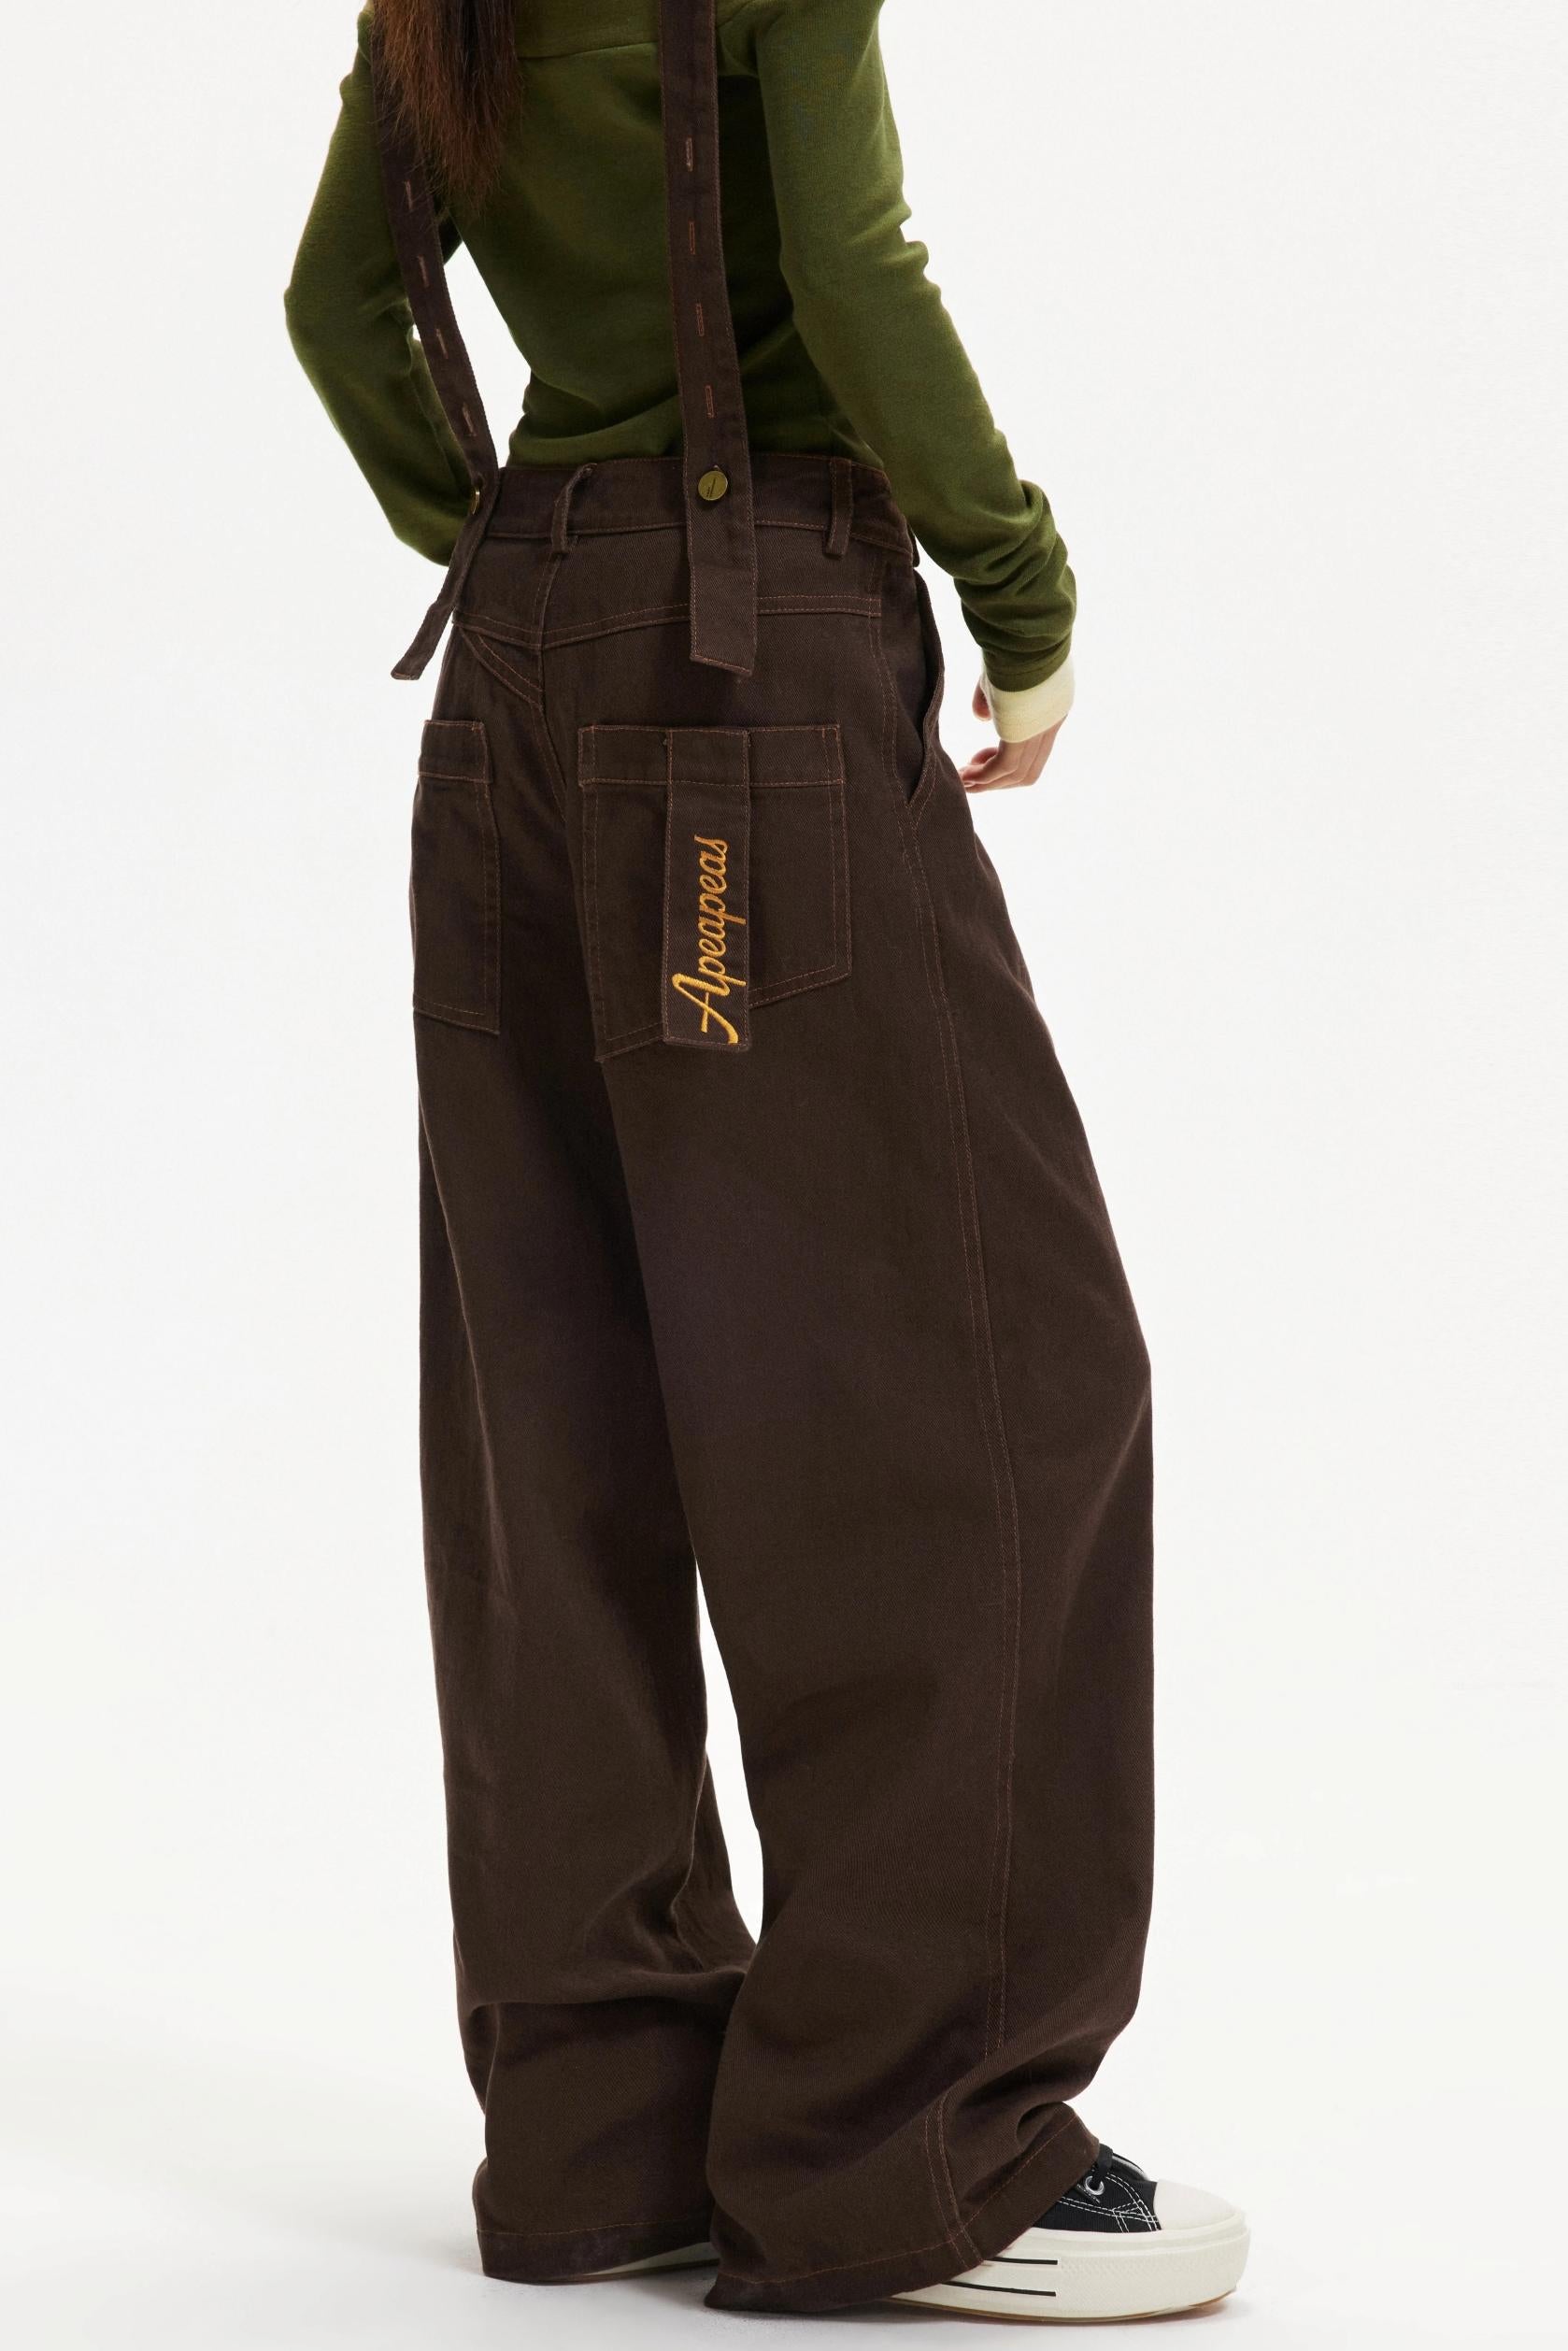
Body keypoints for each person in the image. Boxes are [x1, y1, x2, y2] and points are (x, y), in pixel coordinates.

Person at [285, 0, 1247, 2322]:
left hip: (514, 677)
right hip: (741, 680)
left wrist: (519, 536)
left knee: (559, 1410)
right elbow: (845, 259)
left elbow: (335, 303)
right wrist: (1017, 588)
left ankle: (607, 2125)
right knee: (975, 1391)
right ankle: (906, 2142)